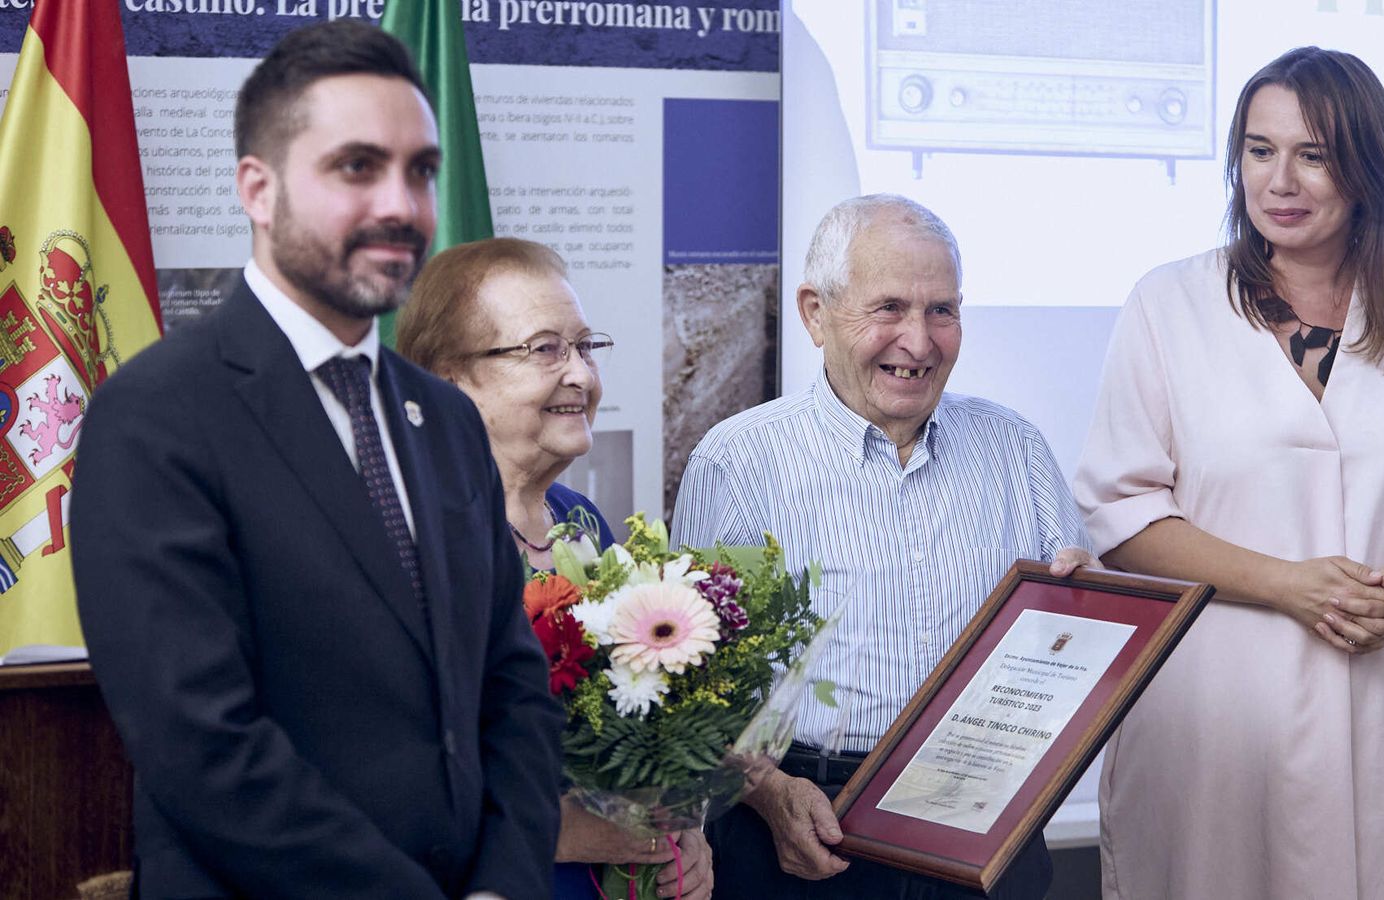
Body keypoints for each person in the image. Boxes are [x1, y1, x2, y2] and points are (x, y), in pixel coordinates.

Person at [71, 22, 564, 899]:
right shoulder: (154, 416)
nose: (402, 204)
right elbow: (203, 744)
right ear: (257, 190)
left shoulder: (447, 419)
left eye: (420, 170)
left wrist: (504, 883)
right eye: (356, 167)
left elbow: (513, 687)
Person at [1073, 47, 1384, 900]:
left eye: (1313, 153)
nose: (1281, 180)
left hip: (1377, 689)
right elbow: (1120, 516)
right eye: (1260, 150)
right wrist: (1288, 585)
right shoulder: (1169, 303)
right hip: (1213, 705)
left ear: (1367, 167)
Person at [672, 193, 1095, 899]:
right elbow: (688, 688)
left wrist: (1088, 612)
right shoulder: (738, 462)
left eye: (942, 310)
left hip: (987, 822)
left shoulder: (1015, 448)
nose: (920, 341)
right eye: (889, 307)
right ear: (815, 313)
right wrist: (768, 790)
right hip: (806, 823)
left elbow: (1073, 630)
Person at [398, 237, 713, 900]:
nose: (581, 375)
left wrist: (678, 833)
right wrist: (556, 829)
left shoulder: (584, 525)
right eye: (545, 349)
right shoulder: (406, 539)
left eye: (585, 347)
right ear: (448, 379)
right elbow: (378, 766)